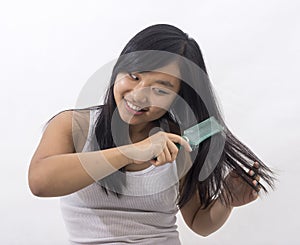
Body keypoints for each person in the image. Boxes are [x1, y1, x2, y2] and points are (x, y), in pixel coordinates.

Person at [28, 24, 276, 244]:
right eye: (134, 76)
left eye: (160, 90)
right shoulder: (73, 126)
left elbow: (199, 223)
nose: (138, 95)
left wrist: (225, 200)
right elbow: (40, 182)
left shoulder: (180, 142)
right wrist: (133, 151)